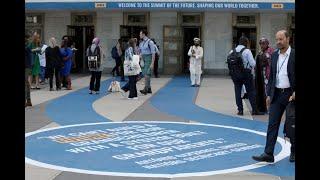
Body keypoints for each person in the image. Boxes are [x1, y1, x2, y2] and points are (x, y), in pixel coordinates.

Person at [252, 30, 295, 163]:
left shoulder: (294, 54)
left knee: (291, 124)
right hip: (276, 94)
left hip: (290, 95)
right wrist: (269, 94)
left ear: (288, 39)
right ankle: (268, 153)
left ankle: (294, 151)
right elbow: (272, 77)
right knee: (272, 124)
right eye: (277, 39)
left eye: (281, 39)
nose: (278, 42)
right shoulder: (275, 55)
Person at [228, 36, 264, 116]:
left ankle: (240, 110)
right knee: (251, 91)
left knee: (237, 92)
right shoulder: (247, 51)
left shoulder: (232, 51)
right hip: (246, 73)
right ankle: (255, 110)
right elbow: (253, 64)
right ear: (246, 43)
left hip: (235, 74)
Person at [255, 38, 274, 113]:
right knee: (262, 92)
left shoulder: (270, 51)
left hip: (268, 76)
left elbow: (271, 64)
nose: (262, 45)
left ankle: (269, 108)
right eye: (260, 44)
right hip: (261, 76)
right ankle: (263, 107)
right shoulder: (260, 52)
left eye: (263, 43)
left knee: (268, 93)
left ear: (267, 44)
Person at [139, 30, 156, 95]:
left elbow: (153, 53)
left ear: (143, 34)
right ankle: (149, 89)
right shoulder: (141, 42)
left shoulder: (150, 42)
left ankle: (145, 89)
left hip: (149, 59)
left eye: (140, 34)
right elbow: (140, 51)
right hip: (143, 59)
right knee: (145, 74)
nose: (139, 35)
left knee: (147, 74)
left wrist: (152, 63)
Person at [25, 34, 33, 107]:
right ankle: (28, 100)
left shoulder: (28, 46)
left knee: (25, 83)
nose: (27, 40)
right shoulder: (28, 46)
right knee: (26, 84)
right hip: (27, 66)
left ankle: (27, 101)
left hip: (27, 66)